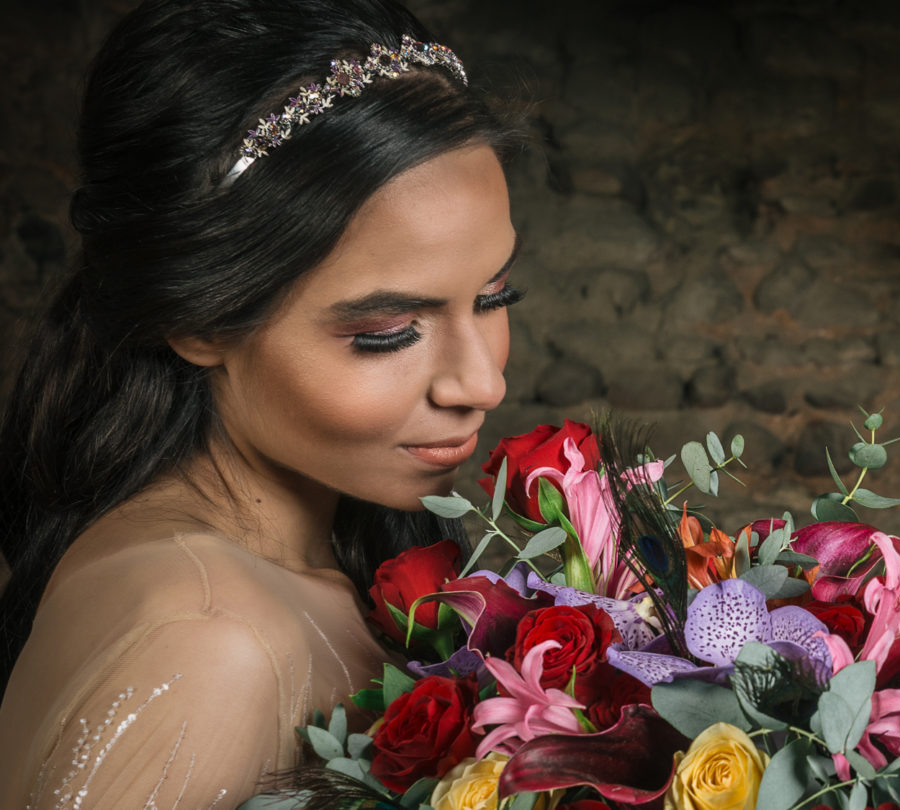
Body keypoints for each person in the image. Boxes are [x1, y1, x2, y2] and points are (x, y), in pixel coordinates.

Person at [0, 0, 525, 805]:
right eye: (388, 331)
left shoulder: (326, 560)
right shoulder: (205, 642)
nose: (481, 384)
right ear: (199, 317)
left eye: (494, 295)